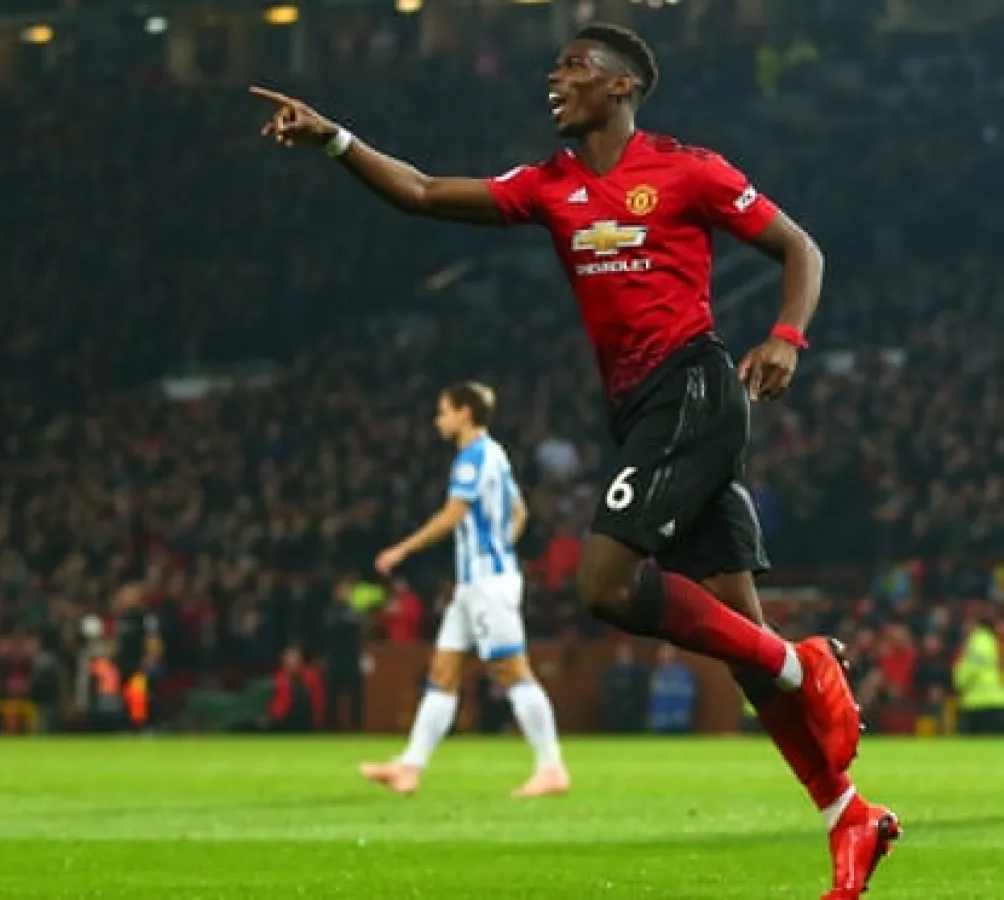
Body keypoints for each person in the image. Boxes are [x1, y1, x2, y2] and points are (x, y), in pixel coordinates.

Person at [251, 22, 895, 898]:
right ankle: (847, 814)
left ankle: (801, 663)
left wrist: (786, 336)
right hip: (638, 413)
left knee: (604, 583)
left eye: (575, 68)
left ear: (623, 87)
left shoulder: (686, 168)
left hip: (695, 390)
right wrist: (334, 138)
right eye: (555, 67)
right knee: (740, 638)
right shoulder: (551, 187)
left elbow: (800, 248)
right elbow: (425, 192)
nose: (555, 80)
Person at [361, 383, 567, 798]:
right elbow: (519, 511)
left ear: (465, 413)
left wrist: (401, 550)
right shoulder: (496, 453)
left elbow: (454, 513)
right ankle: (410, 767)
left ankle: (551, 768)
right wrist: (502, 546)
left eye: (444, 411)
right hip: (475, 583)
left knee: (512, 671)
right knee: (443, 673)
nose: (439, 420)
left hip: (488, 584)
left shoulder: (472, 457)